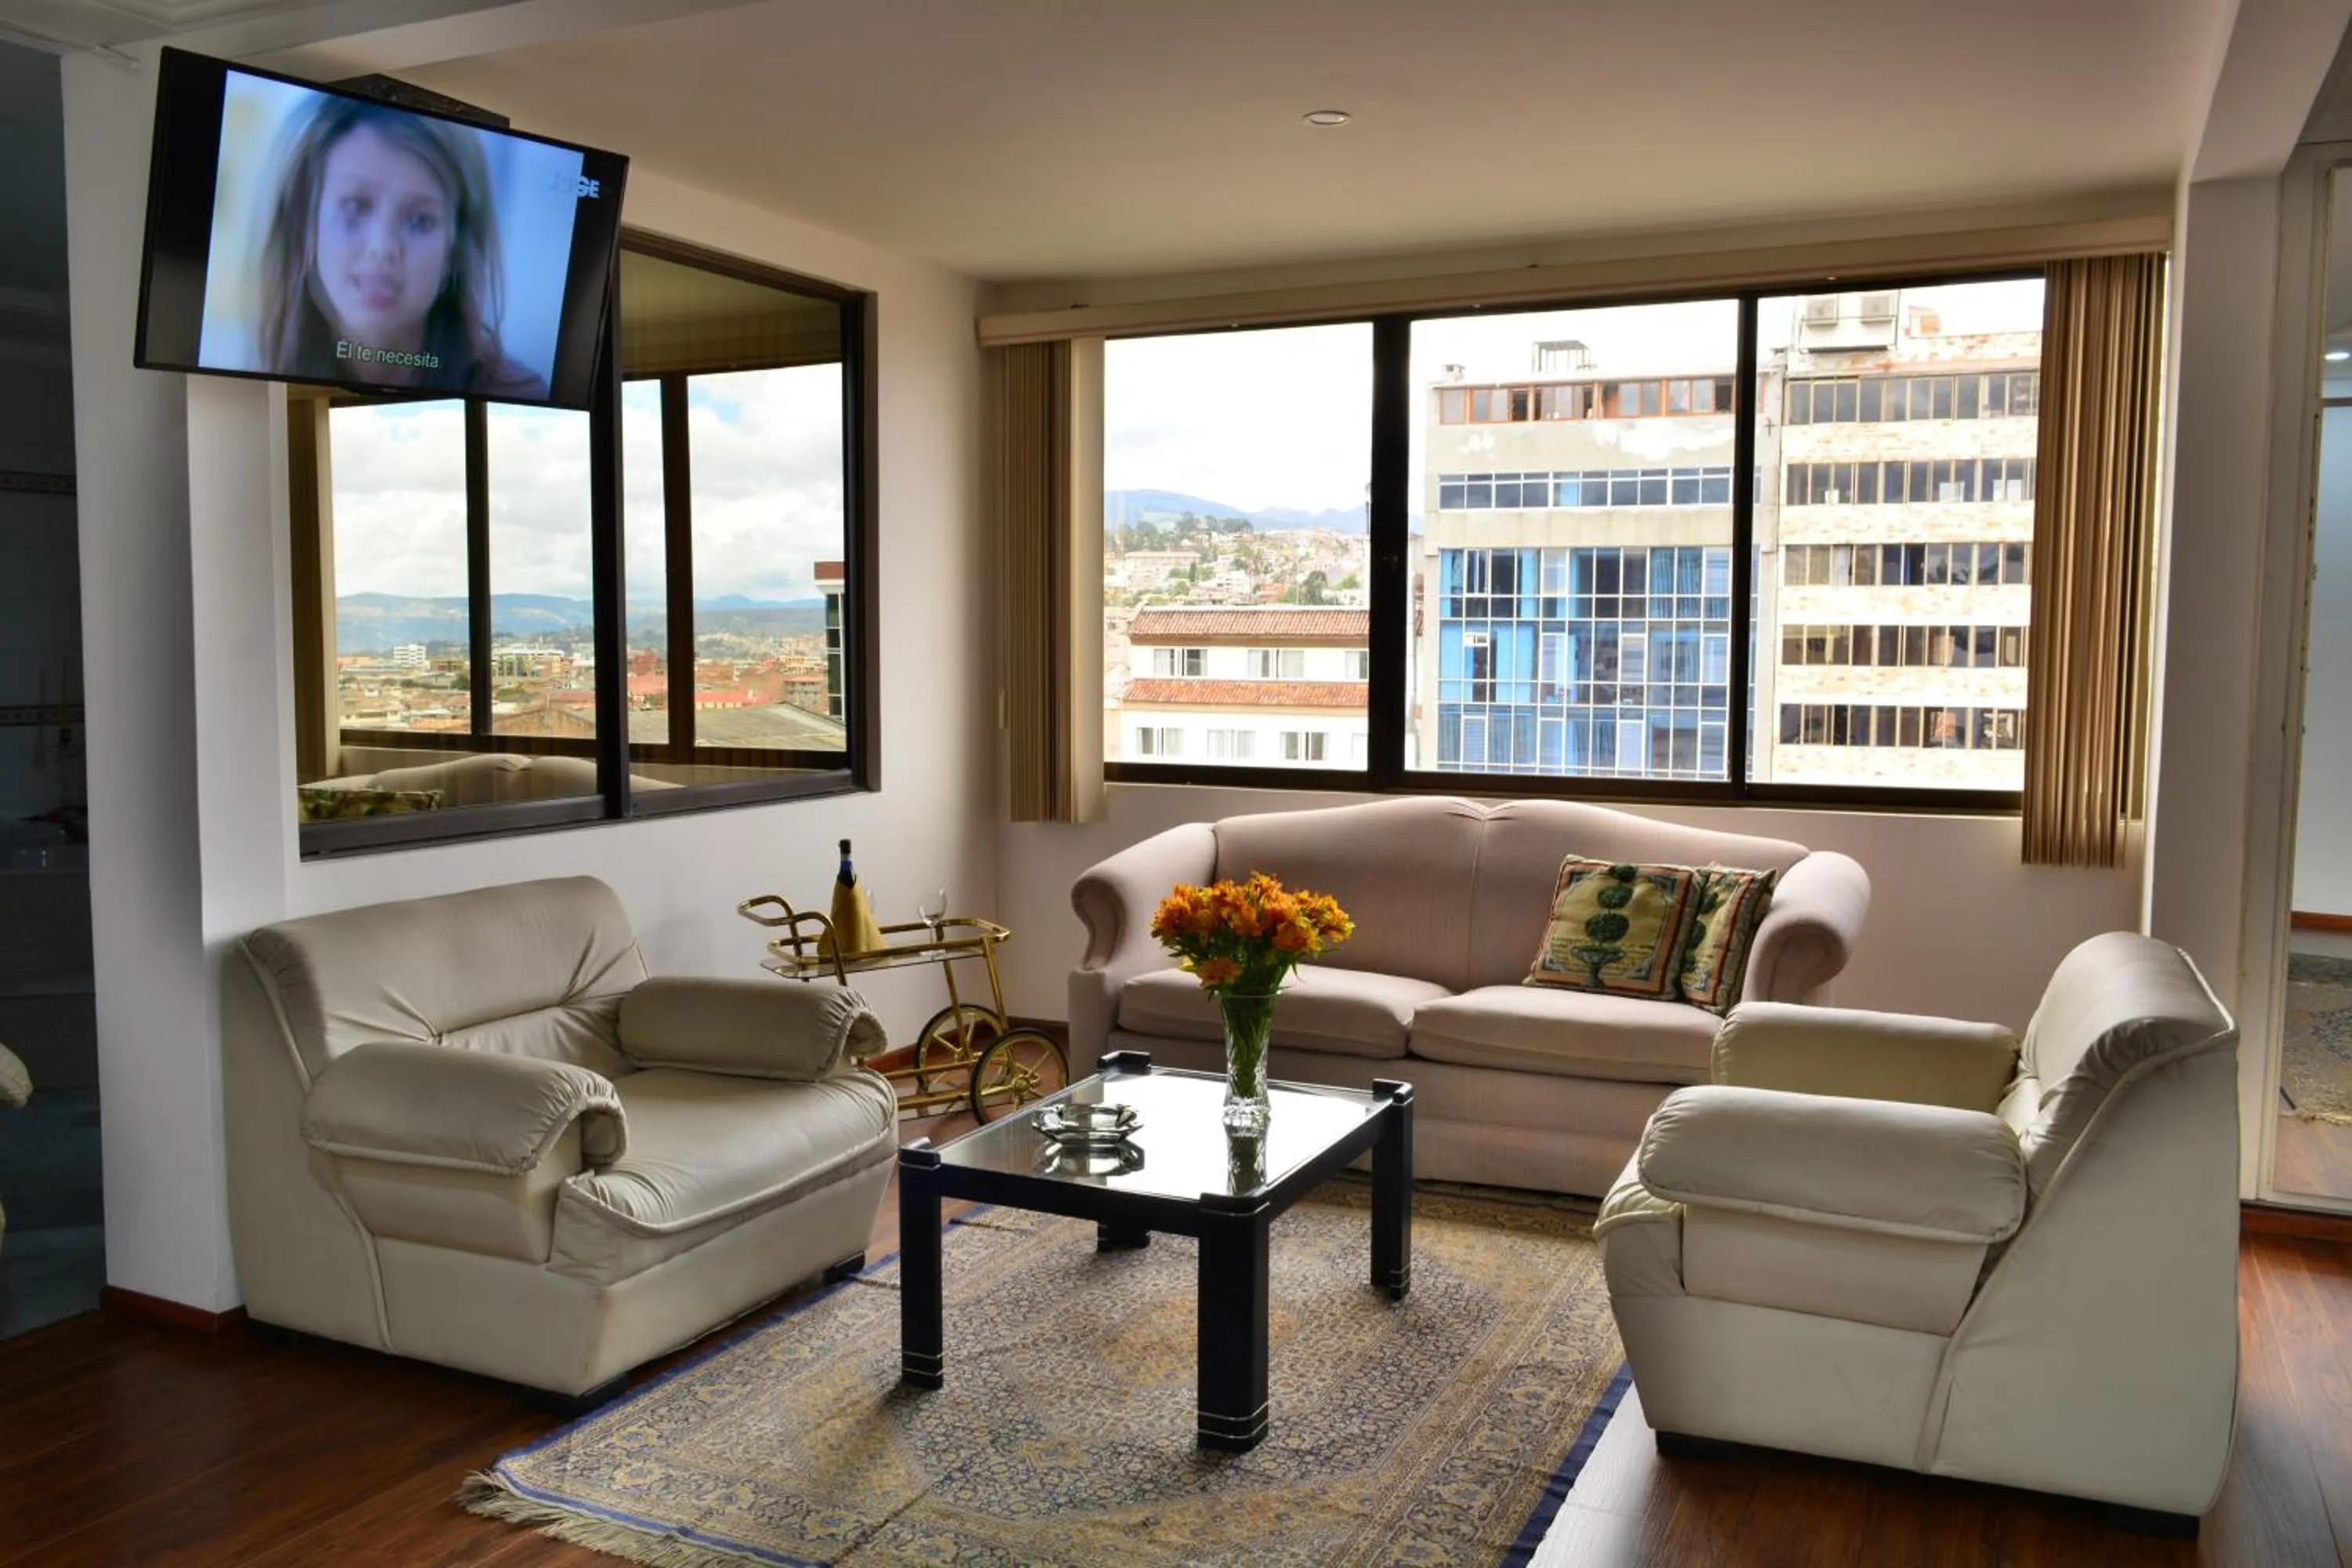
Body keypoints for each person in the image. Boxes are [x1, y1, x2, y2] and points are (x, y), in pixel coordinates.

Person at [254, 96, 547, 401]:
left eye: (419, 221)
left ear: (454, 251)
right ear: (304, 228)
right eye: (355, 207)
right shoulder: (264, 384)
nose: (382, 248)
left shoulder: (519, 397)